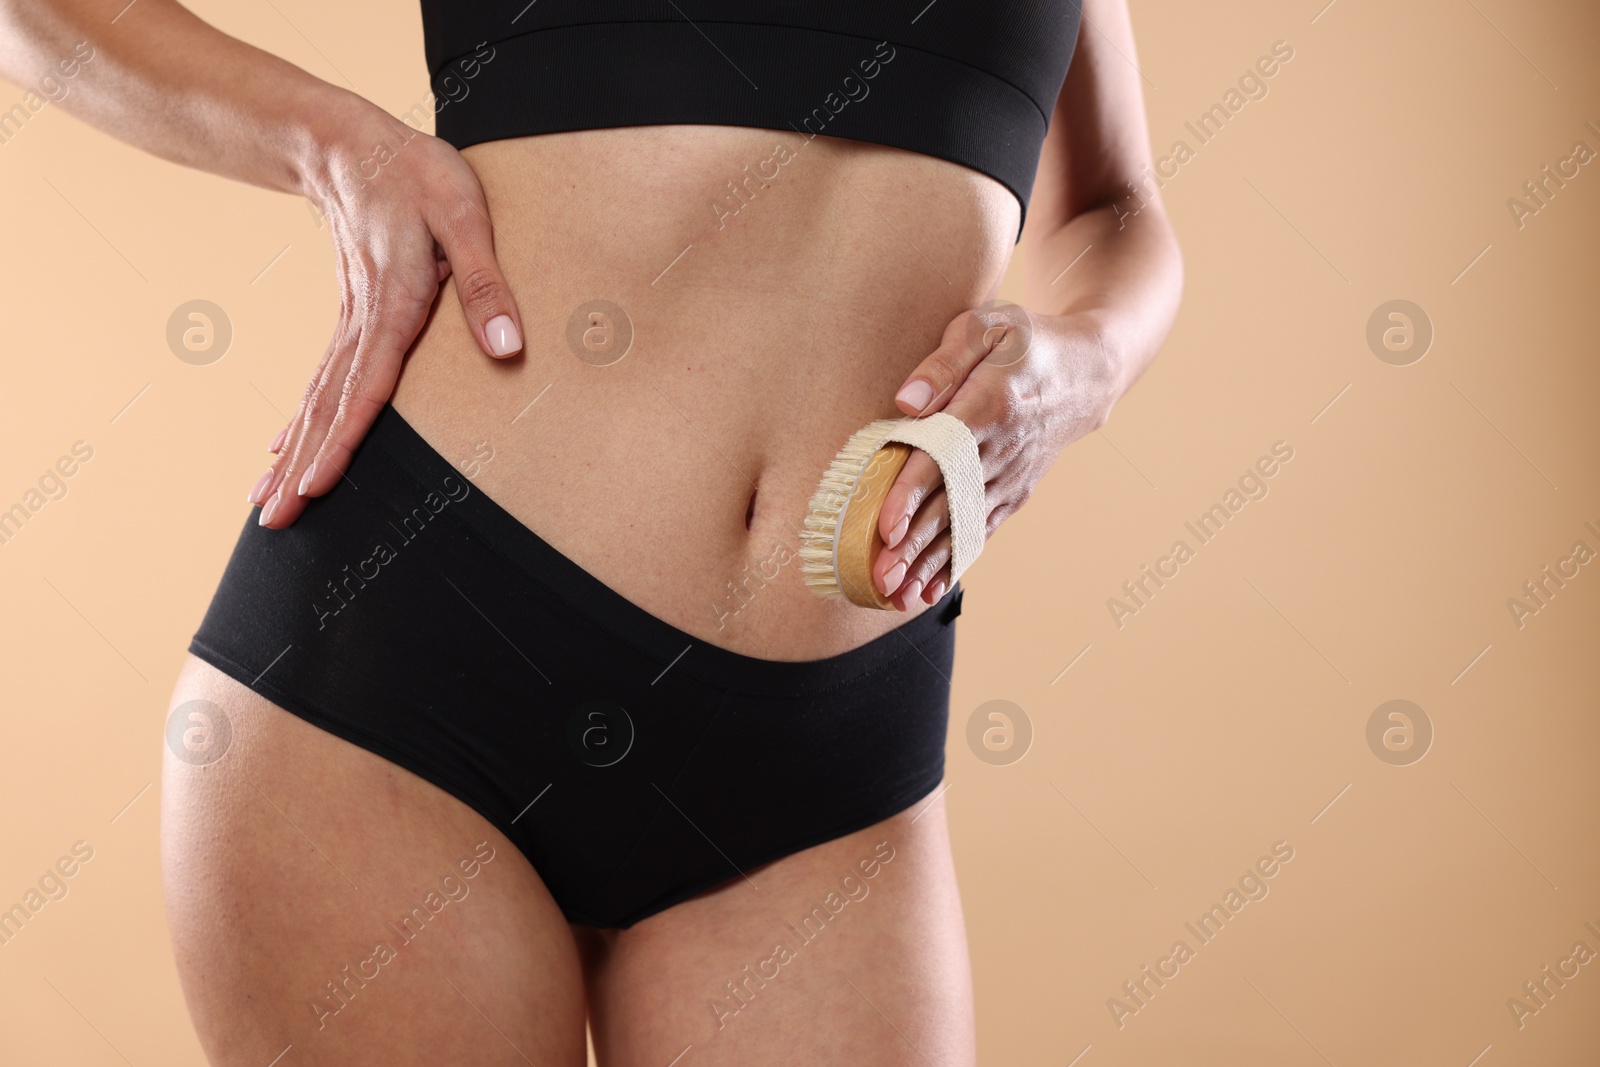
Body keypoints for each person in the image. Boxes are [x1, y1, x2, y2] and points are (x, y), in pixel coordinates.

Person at [3, 1, 1181, 1062]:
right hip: (413, 679)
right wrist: (327, 143)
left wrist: (1091, 359)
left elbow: (1115, 208)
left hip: (823, 756)